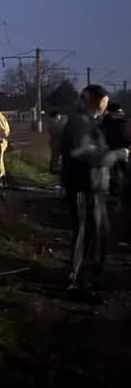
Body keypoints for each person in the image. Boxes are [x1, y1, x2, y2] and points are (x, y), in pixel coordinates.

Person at [61, 85, 129, 301]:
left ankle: (91, 277)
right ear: (98, 101)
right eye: (105, 101)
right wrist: (119, 154)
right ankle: (76, 284)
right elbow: (87, 155)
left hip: (95, 187)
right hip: (83, 186)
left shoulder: (91, 122)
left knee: (100, 232)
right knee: (85, 233)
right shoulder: (80, 122)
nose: (107, 105)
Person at [100, 102, 130, 197]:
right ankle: (116, 191)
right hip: (114, 150)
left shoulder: (106, 123)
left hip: (119, 149)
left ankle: (117, 191)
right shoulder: (106, 123)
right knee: (115, 172)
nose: (121, 114)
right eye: (119, 112)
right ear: (113, 112)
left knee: (120, 171)